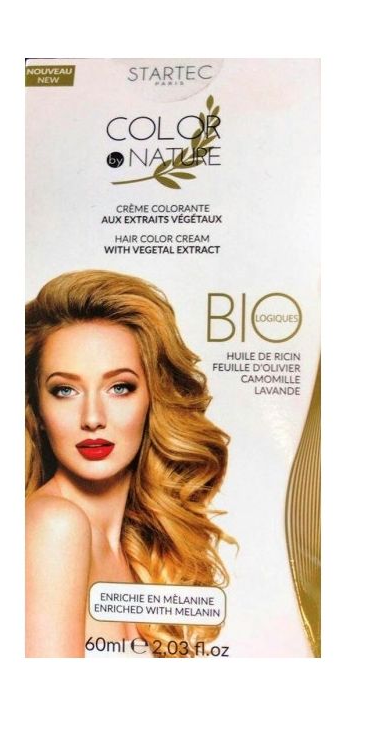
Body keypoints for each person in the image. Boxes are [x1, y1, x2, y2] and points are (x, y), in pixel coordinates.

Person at [25, 270, 233, 658]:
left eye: (119, 387)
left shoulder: (138, 551)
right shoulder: (53, 525)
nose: (92, 418)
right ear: (38, 408)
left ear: (155, 397)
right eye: (64, 390)